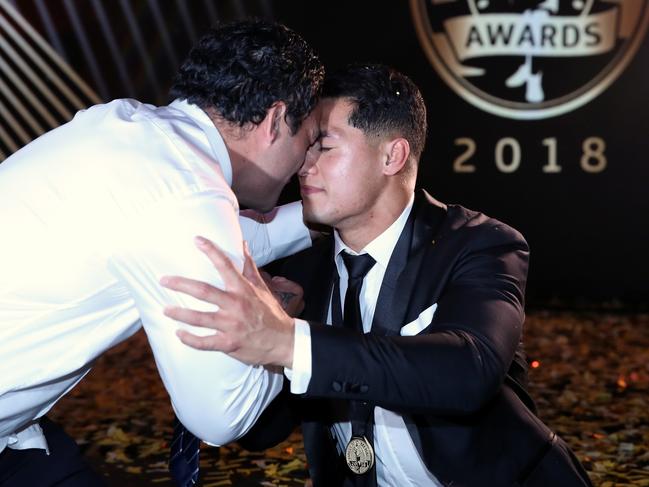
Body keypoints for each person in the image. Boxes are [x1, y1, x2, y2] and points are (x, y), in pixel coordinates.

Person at [161, 64, 593, 486]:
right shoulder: (302, 268)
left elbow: (467, 372)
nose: (302, 165)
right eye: (304, 145)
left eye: (324, 147)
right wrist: (259, 352)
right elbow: (262, 433)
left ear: (393, 155)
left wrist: (289, 341)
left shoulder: (480, 244)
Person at [0, 20, 323, 486]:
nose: (306, 162)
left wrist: (325, 218)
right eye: (309, 139)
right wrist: (281, 319)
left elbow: (204, 241)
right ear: (275, 121)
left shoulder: (129, 128)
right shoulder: (186, 191)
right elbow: (221, 414)